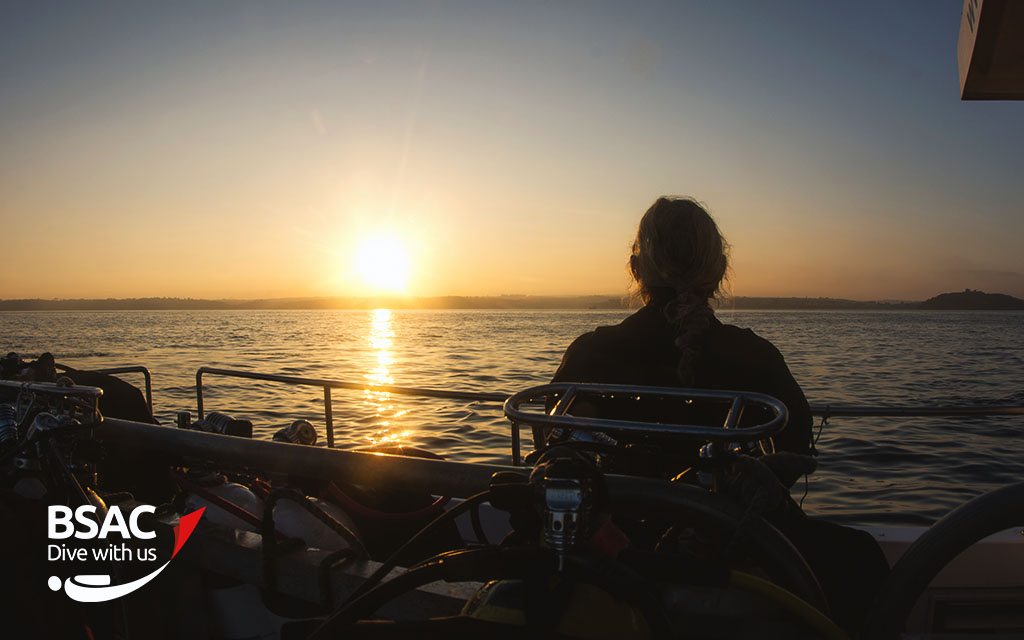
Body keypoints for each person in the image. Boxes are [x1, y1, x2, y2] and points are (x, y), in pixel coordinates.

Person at [546, 196, 812, 457]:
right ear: (720, 270)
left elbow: (552, 441)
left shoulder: (590, 353)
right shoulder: (757, 358)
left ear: (635, 269)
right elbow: (794, 449)